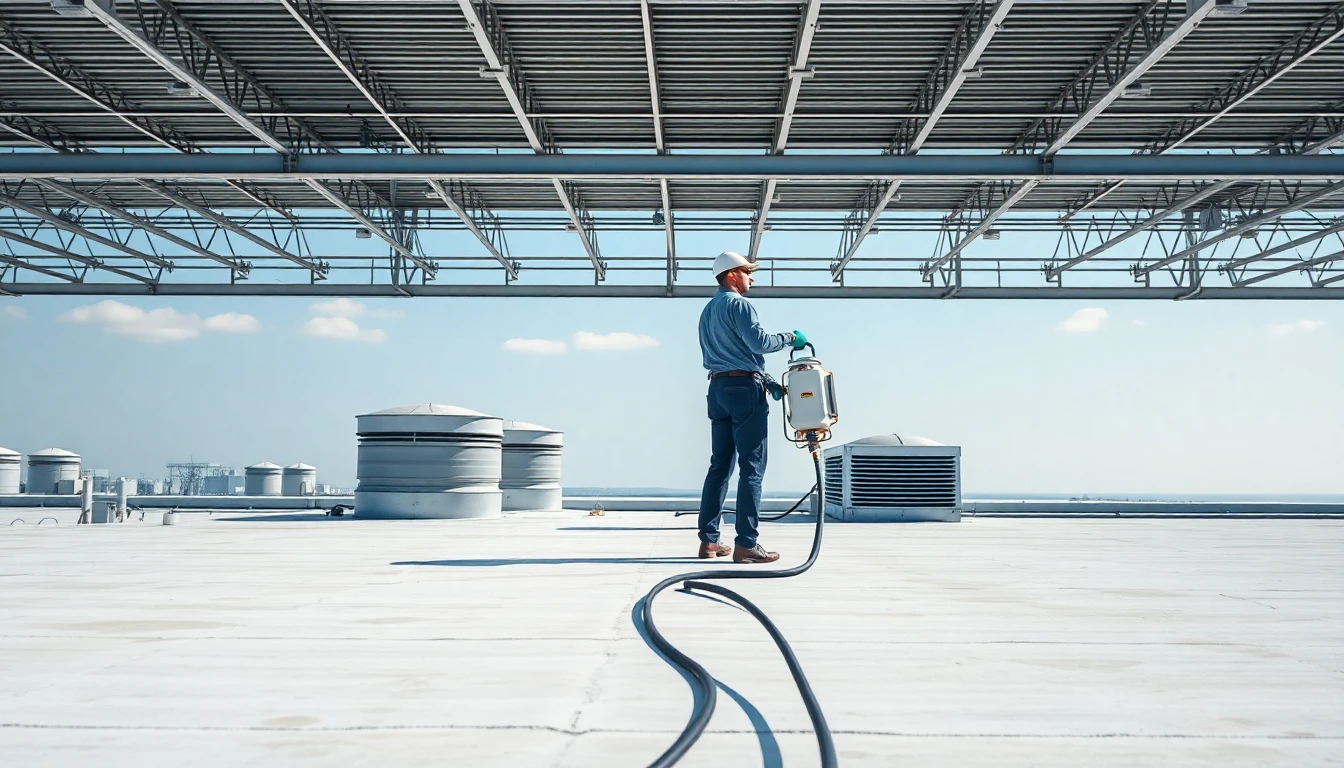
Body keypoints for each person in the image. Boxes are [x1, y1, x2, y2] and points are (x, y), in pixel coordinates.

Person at [696, 251, 806, 564]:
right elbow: (758, 343)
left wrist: (764, 377)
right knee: (752, 468)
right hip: (744, 390)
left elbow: (732, 354)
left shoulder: (707, 311)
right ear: (732, 274)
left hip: (717, 390)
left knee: (719, 467)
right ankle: (746, 543)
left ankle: (709, 541)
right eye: (747, 271)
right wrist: (791, 338)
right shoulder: (739, 304)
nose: (751, 277)